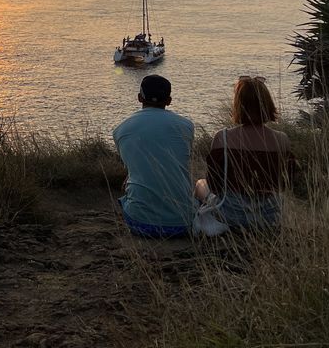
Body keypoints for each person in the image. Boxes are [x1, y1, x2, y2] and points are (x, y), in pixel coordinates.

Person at [194, 75, 296, 230]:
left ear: (238, 105)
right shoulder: (282, 140)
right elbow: (286, 183)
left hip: (232, 215)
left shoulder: (223, 138)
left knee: (200, 184)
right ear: (268, 104)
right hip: (269, 217)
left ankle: (205, 227)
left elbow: (215, 184)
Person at [113, 75, 194, 237]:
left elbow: (131, 167)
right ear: (169, 100)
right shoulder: (186, 126)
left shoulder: (120, 129)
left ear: (139, 98)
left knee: (129, 184)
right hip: (183, 224)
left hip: (140, 224)